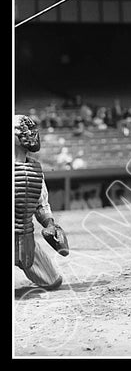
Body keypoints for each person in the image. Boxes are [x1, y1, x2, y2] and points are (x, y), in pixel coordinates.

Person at [14, 115, 69, 290]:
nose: (29, 133)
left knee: (53, 282)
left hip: (25, 239)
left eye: (30, 129)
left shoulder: (35, 169)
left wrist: (50, 224)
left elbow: (40, 203)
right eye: (22, 129)